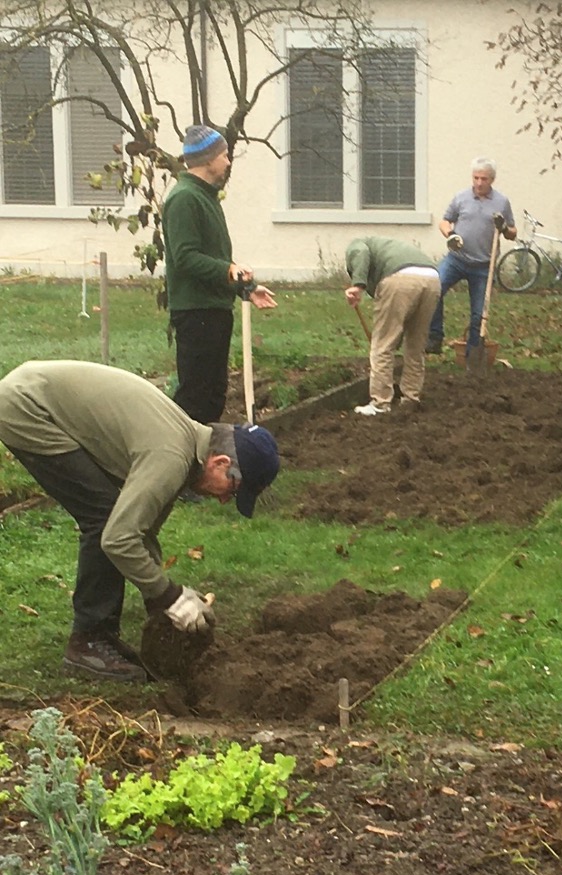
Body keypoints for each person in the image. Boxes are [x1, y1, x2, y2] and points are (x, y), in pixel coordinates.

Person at [0, 360, 280, 682]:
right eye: (231, 491)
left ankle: (100, 637)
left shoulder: (188, 446)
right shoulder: (171, 457)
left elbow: (141, 533)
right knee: (105, 519)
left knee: (112, 516)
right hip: (26, 408)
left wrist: (164, 605)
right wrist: (169, 596)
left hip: (37, 394)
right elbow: (118, 539)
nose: (221, 500)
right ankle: (88, 641)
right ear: (220, 462)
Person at [163, 124, 277, 425]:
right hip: (196, 310)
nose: (228, 162)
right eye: (224, 155)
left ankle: (205, 462)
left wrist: (246, 287)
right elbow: (186, 258)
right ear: (207, 159)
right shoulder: (184, 199)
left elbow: (214, 258)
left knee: (213, 394)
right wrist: (228, 270)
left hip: (214, 308)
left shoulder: (205, 196)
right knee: (196, 397)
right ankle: (182, 457)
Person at [425, 157, 516, 357]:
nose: (479, 183)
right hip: (456, 259)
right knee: (433, 289)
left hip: (484, 266)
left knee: (478, 314)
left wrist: (503, 228)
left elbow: (512, 232)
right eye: (476, 178)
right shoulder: (461, 198)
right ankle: (434, 337)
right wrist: (450, 234)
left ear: (492, 179)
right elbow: (445, 221)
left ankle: (473, 354)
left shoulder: (501, 202)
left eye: (484, 178)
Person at [344, 236, 441, 416]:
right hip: (432, 278)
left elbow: (360, 252)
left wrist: (357, 285)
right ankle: (411, 398)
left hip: (399, 279)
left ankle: (380, 403)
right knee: (416, 344)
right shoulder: (388, 247)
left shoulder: (356, 245)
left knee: (382, 345)